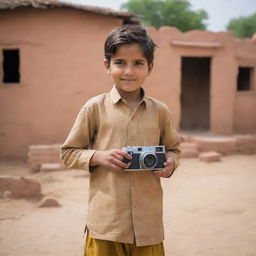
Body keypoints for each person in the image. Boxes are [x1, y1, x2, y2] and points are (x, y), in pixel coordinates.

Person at [60, 24, 181, 256]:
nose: (129, 71)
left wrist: (170, 164)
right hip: (106, 225)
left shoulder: (160, 111)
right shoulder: (94, 108)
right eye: (120, 63)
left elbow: (174, 149)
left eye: (138, 63)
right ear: (107, 66)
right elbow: (68, 152)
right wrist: (98, 156)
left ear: (150, 67)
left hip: (148, 226)